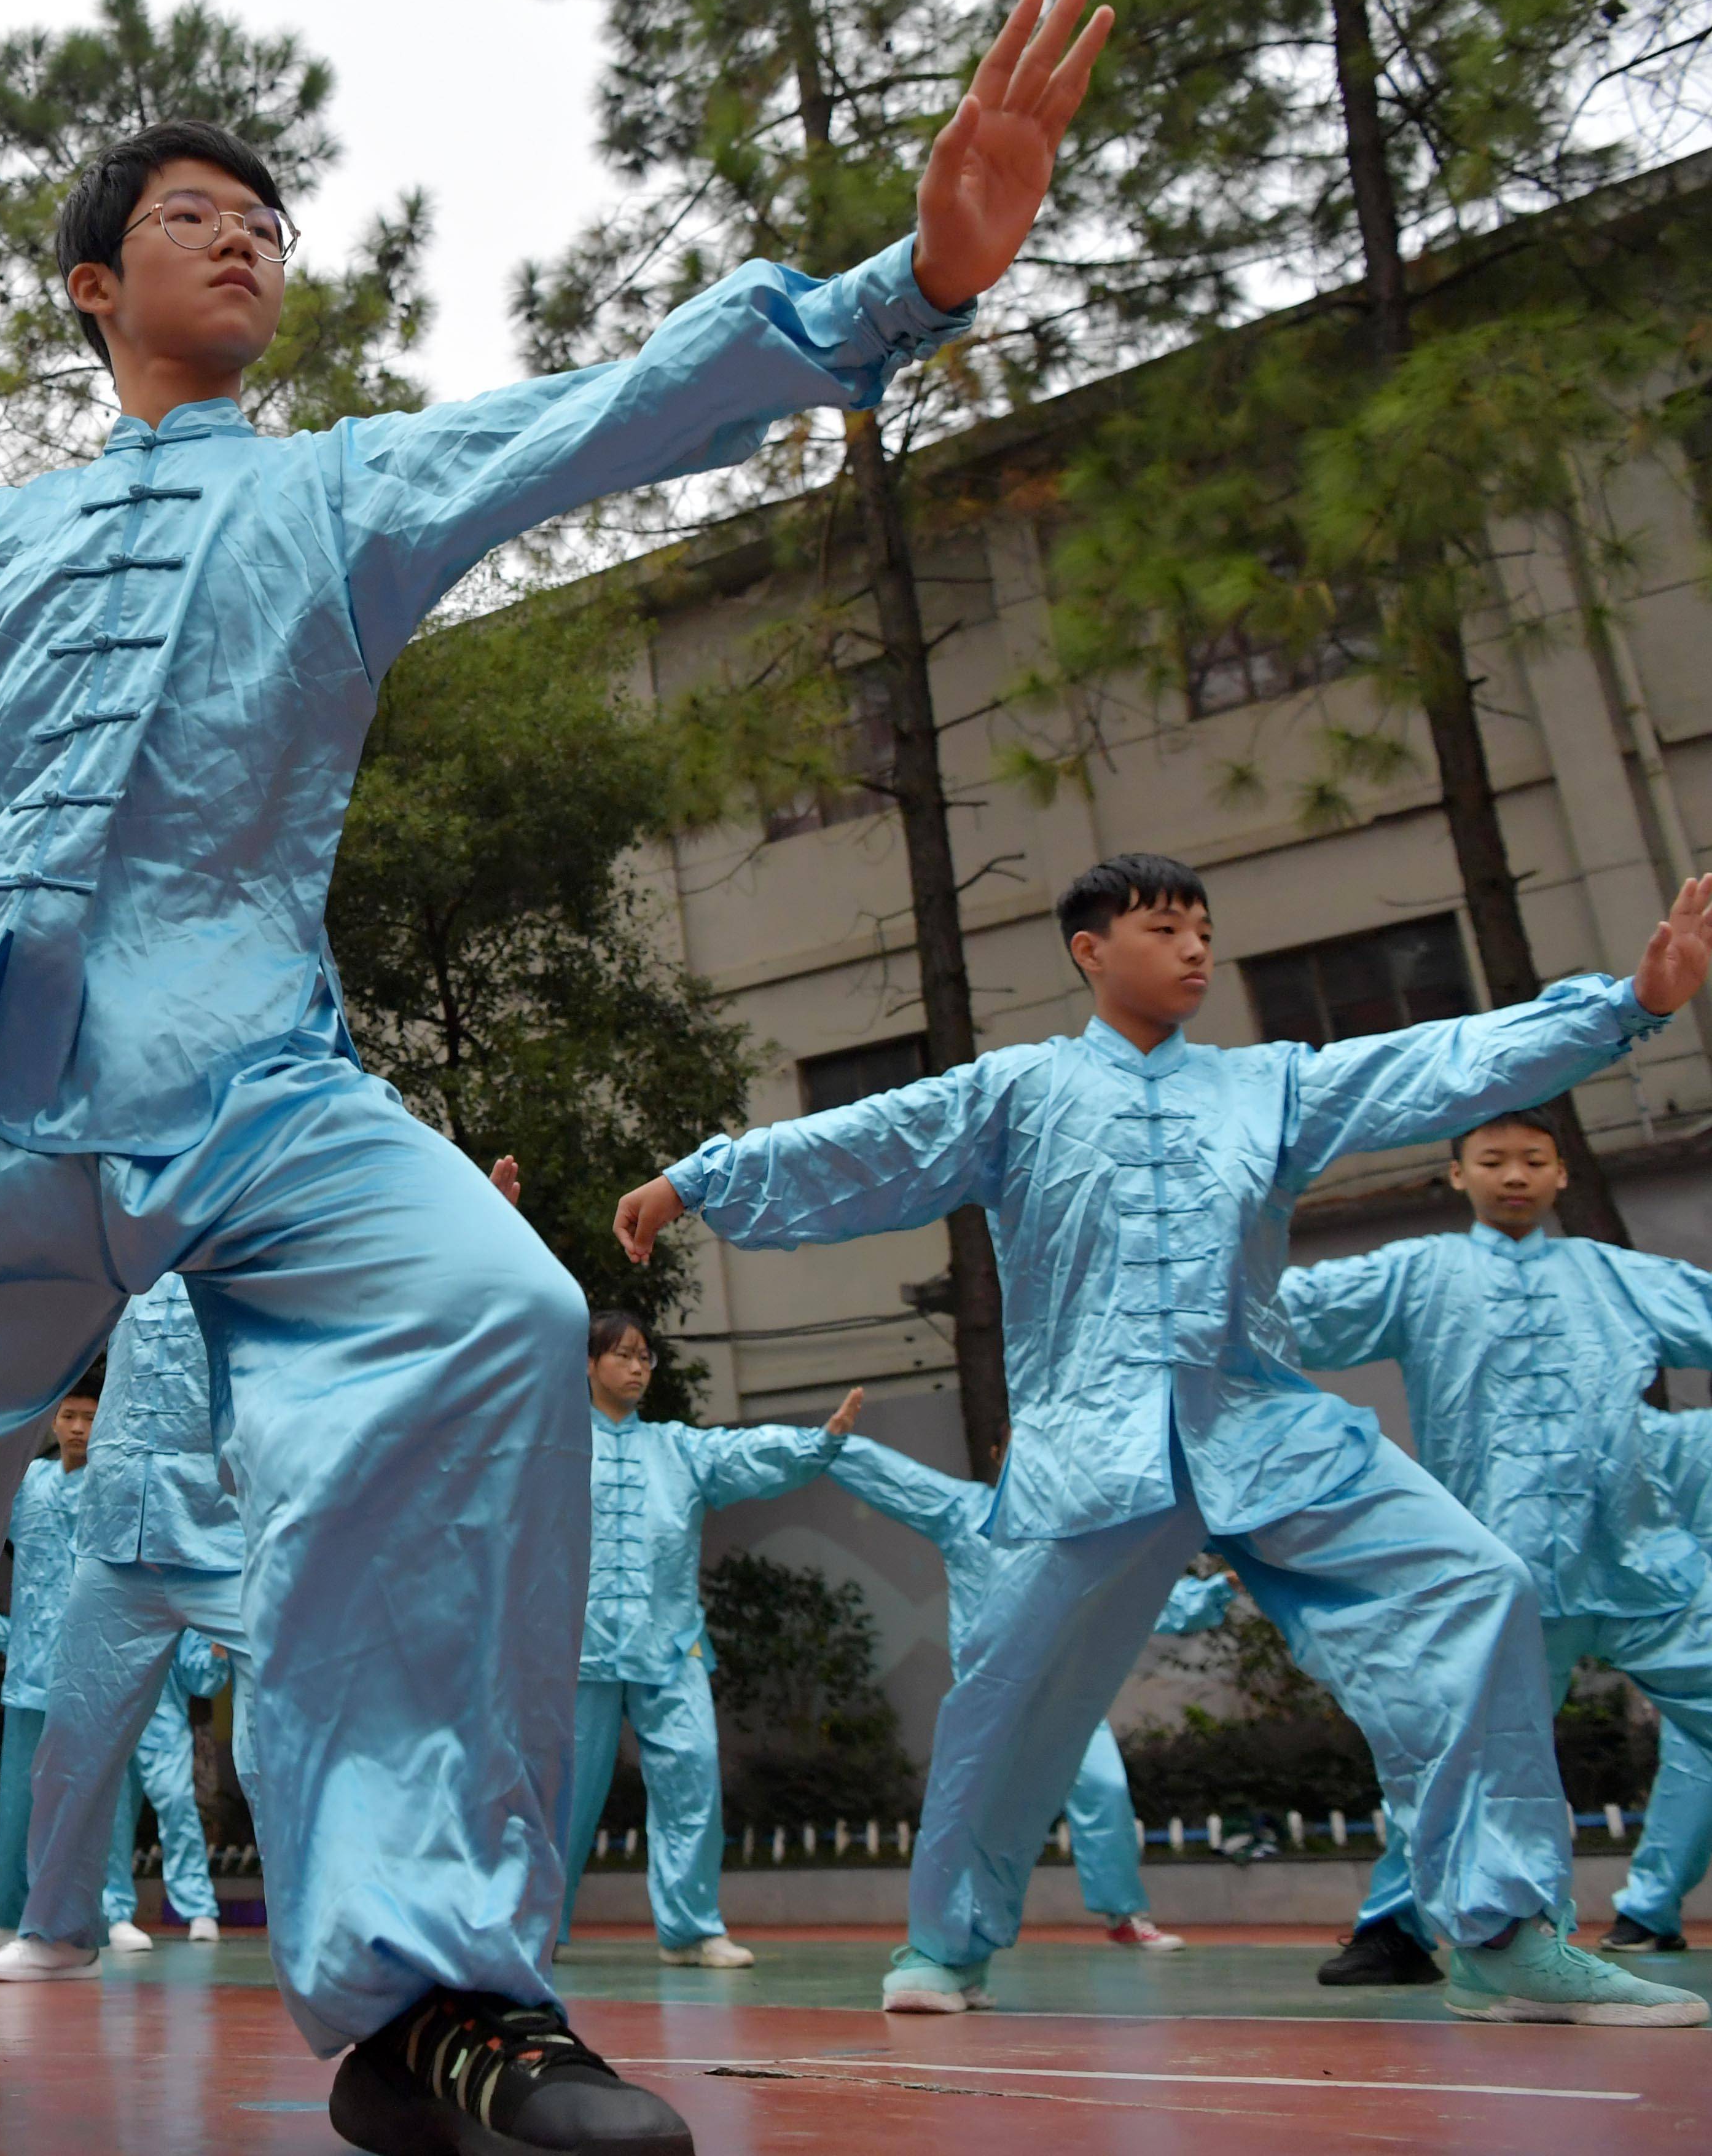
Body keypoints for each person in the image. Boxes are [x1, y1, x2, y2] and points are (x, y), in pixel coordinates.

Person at [0, 0, 1107, 2141]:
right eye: (191, 212)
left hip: (247, 1075)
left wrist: (900, 286)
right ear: (93, 287)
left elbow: (606, 406)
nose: (245, 237)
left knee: (487, 1310)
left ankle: (437, 1999)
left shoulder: (344, 495)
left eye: (265, 215)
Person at [615, 851, 1712, 2028]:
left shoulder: (1268, 1088)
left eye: (1202, 927)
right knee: (1012, 1691)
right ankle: (941, 1943)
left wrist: (1625, 1005)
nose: (1194, 948)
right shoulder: (1020, 1091)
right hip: (1089, 1441)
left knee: (1473, 1581)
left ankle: (1498, 1929)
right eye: (1162, 927)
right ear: (1090, 951)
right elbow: (876, 1140)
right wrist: (702, 1179)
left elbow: (1429, 1063)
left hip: (1258, 1422)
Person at [1276, 1104, 1712, 1984]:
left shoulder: (1617, 1276)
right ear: (1458, 1176)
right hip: (1503, 1568)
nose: (1514, 1175)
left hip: (1637, 1560)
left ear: (1560, 1176)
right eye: (1493, 1160)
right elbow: (1291, 1313)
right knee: (1464, 1752)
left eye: (1534, 1160)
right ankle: (1398, 1925)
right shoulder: (1422, 1273)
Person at [826, 1428, 1233, 1950]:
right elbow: (898, 1480)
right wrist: (832, 1444)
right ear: (997, 1455)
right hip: (990, 1698)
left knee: (1105, 1788)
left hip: (1065, 1692)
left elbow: (1141, 1596)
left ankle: (1123, 1915)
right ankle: (950, 1932)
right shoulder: (962, 1509)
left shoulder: (1075, 1532)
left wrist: (1217, 1591)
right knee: (970, 1811)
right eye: (1017, 1445)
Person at [551, 1317, 859, 1969]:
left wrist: (816, 1441)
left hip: (671, 1643)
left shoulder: (678, 1448)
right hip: (580, 1648)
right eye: (622, 1355)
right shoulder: (557, 1445)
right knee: (563, 1791)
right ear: (587, 1364)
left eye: (645, 1356)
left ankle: (691, 1929)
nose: (637, 1367)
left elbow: (742, 1454)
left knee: (692, 1773)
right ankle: (535, 1927)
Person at [0, 1277, 243, 1980]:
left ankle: (343, 1936)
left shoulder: (251, 1233)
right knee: (72, 1740)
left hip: (226, 1537)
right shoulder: (125, 1250)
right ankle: (59, 1929)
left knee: (296, 1734)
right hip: (117, 1537)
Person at [0, 1383, 101, 1955]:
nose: (78, 1428)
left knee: (89, 1792)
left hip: (93, 1666)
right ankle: (4, 1908)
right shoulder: (31, 1483)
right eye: (68, 1416)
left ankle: (101, 1910)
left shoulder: (112, 1482)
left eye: (89, 1417)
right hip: (31, 1665)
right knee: (18, 1793)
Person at [1612, 1403, 1712, 1950]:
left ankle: (1648, 1911)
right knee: (1693, 1767)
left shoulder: (1677, 1438)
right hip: (1695, 1623)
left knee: (1692, 1767)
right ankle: (1647, 1910)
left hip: (1691, 1620)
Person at [95, 1631, 228, 1950]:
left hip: (163, 1721)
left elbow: (200, 1680)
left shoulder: (175, 1596)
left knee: (179, 1805)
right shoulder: (105, 1592)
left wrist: (217, 1654)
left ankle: (197, 1907)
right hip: (111, 1718)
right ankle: (115, 1913)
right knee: (114, 1816)